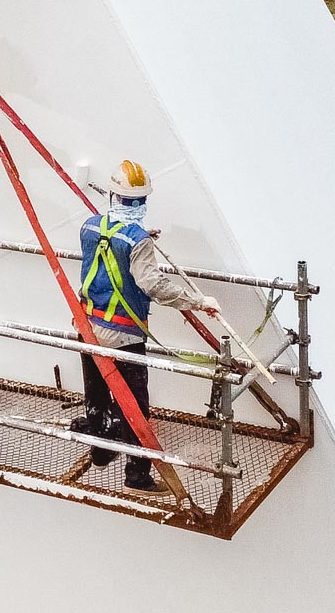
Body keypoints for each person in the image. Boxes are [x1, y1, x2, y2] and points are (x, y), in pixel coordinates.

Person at [72, 160, 219, 494]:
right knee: (134, 404)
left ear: (113, 196)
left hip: (88, 326)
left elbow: (110, 247)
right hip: (123, 334)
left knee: (96, 393)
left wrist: (141, 241)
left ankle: (101, 449)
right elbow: (151, 283)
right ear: (140, 202)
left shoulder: (89, 227)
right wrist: (196, 300)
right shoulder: (137, 240)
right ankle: (137, 474)